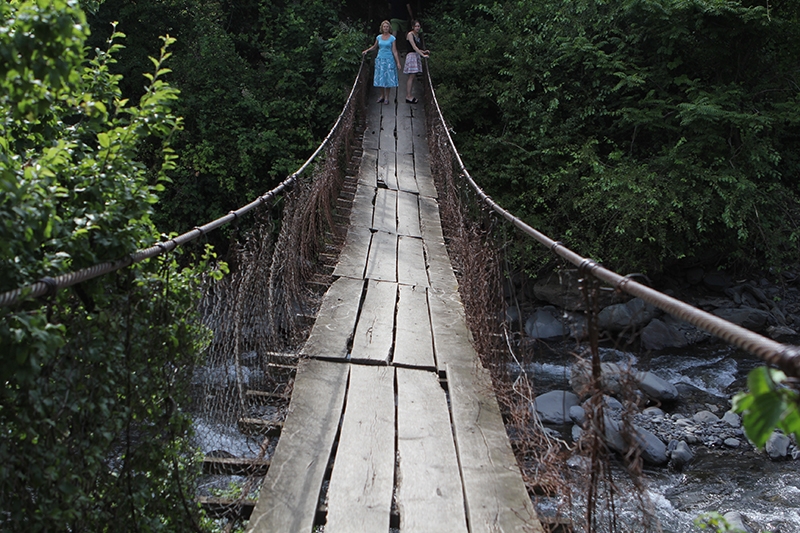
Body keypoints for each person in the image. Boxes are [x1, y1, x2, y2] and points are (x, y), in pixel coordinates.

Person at [363, 20, 403, 104]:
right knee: (380, 78)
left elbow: (395, 51)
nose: (386, 28)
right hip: (380, 59)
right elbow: (375, 47)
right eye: (384, 27)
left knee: (388, 78)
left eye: (387, 27)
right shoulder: (378, 37)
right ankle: (382, 95)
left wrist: (398, 62)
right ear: (382, 28)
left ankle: (387, 97)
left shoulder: (392, 38)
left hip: (389, 60)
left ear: (389, 28)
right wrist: (367, 50)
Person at [403, 20, 429, 104]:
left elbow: (417, 48)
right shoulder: (410, 35)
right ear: (413, 27)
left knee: (413, 77)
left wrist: (423, 51)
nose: (418, 28)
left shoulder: (417, 35)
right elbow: (413, 47)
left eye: (419, 26)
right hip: (411, 56)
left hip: (415, 55)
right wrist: (422, 55)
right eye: (416, 26)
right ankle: (408, 96)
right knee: (411, 77)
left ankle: (409, 95)